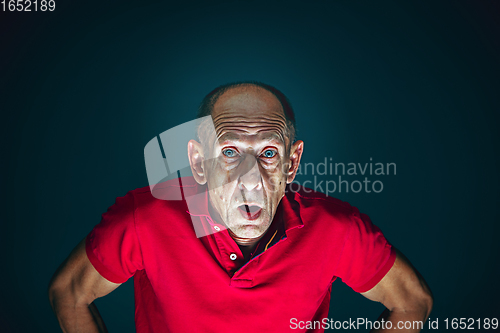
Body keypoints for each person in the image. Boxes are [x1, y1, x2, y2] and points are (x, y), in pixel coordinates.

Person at [48, 81, 433, 332]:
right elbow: (70, 290)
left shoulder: (336, 227)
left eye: (268, 152)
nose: (250, 179)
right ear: (199, 161)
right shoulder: (146, 217)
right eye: (230, 152)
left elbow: (412, 301)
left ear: (292, 163)